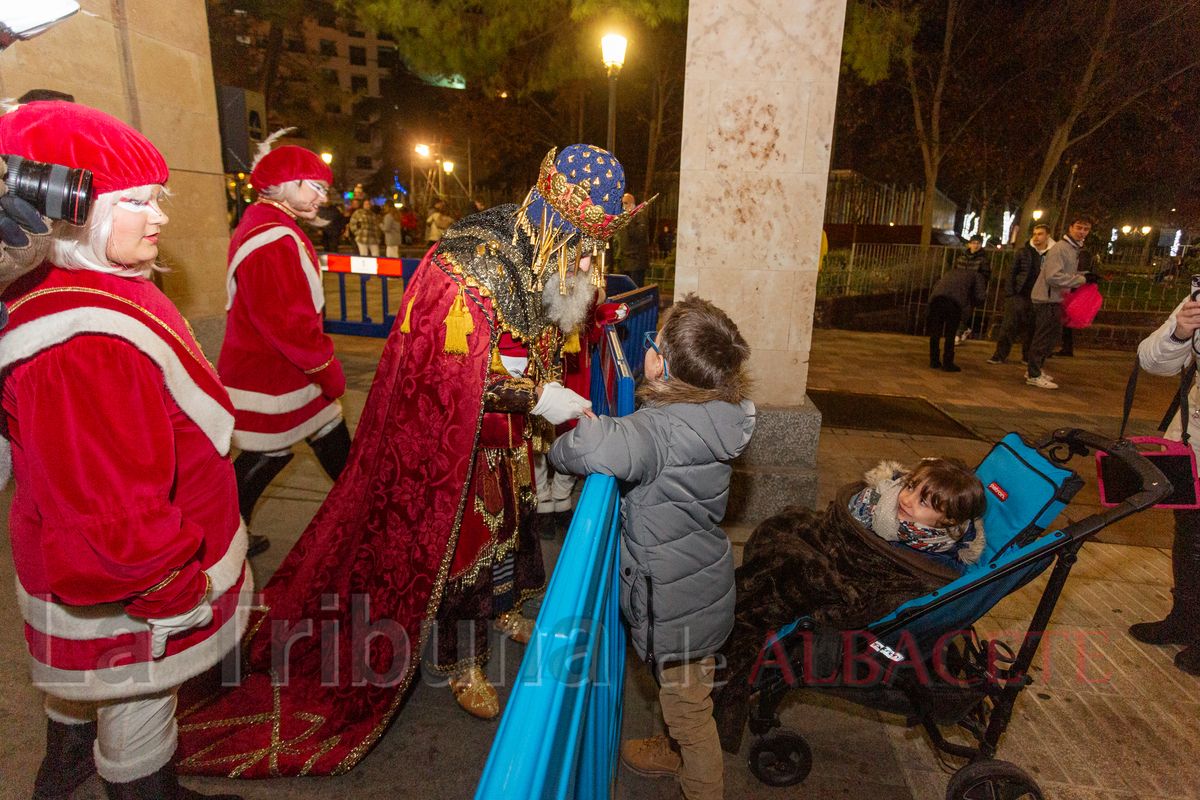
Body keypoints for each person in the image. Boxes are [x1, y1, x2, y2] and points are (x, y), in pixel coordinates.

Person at [174, 144, 651, 776]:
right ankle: (464, 661)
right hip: (457, 441)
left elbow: (535, 333)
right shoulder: (474, 266)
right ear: (558, 221)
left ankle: (503, 606)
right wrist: (540, 394)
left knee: (510, 527)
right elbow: (450, 380)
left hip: (508, 432)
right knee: (470, 548)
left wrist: (536, 382)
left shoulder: (539, 246)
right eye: (587, 243)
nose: (592, 260)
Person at [0, 101, 249, 800]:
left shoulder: (80, 284)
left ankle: (65, 760)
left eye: (155, 198)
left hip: (85, 567)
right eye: (136, 201)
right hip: (130, 581)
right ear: (75, 215)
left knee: (81, 678)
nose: (160, 216)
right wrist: (172, 589)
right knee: (139, 701)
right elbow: (109, 506)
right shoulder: (85, 342)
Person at [549, 295, 755, 800]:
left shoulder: (658, 430)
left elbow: (588, 449)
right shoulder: (717, 414)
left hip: (678, 603)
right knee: (684, 693)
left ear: (660, 363)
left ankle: (701, 783)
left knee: (691, 713)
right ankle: (673, 748)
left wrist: (559, 434)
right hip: (700, 584)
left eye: (652, 343)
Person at [219, 136, 350, 558]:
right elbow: (288, 323)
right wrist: (326, 367)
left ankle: (364, 515)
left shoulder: (267, 224)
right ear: (285, 184)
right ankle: (224, 538)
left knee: (329, 438)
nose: (322, 197)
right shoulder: (273, 236)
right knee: (270, 453)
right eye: (315, 187)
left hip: (282, 370)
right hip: (275, 372)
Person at [1131, 298, 1200, 675]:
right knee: (1190, 535)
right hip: (1195, 441)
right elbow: (1151, 360)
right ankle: (1185, 617)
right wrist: (1180, 331)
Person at [847, 458, 987, 572]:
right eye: (910, 487)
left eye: (923, 502)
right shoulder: (882, 497)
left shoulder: (936, 562)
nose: (906, 500)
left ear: (949, 519)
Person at [1026, 214, 1096, 389]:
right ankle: (1033, 373)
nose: (1082, 232)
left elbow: (1062, 274)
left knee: (1052, 336)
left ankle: (1035, 369)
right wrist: (1081, 280)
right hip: (1047, 298)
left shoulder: (1072, 249)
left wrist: (1084, 276)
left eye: (1085, 229)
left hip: (1053, 298)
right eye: (1079, 228)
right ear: (1070, 228)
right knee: (1045, 338)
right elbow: (1053, 276)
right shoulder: (1061, 248)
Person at [989, 224, 1052, 365]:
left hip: (1039, 296)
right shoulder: (1024, 252)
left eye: (1040, 234)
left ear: (1048, 236)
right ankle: (1000, 355)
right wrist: (1011, 293)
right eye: (1035, 233)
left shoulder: (1051, 254)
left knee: (1032, 327)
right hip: (1020, 293)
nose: (1036, 237)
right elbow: (1012, 272)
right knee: (1009, 326)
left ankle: (1027, 356)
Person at [926, 253, 987, 372]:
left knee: (936, 332)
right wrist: (972, 305)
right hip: (954, 303)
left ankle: (934, 360)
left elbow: (938, 285)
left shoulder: (952, 272)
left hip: (937, 299)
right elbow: (980, 296)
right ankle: (947, 363)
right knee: (950, 333)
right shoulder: (977, 276)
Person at [617, 192, 651, 287]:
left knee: (635, 290)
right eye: (622, 203)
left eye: (626, 203)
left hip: (636, 262)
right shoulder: (621, 218)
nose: (624, 206)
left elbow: (638, 235)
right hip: (623, 261)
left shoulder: (640, 217)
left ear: (632, 204)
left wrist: (630, 218)